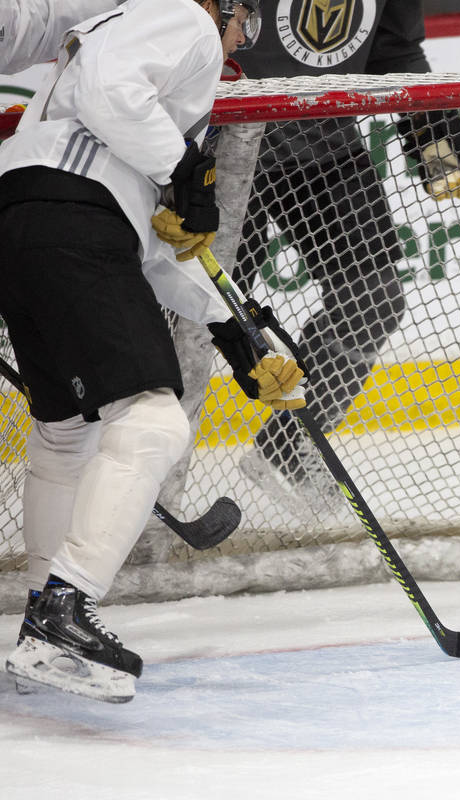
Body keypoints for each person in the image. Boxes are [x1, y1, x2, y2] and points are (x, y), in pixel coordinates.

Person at [0, 0, 294, 703]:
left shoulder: (127, 104)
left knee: (67, 435)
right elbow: (108, 85)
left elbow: (150, 245)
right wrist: (185, 165)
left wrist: (235, 329)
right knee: (155, 423)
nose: (237, 44)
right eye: (244, 25)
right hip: (71, 217)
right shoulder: (182, 18)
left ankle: (42, 627)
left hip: (26, 217)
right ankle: (63, 612)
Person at [225, 0, 460, 500]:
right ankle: (144, 472)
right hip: (222, 141)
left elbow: (393, 46)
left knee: (374, 299)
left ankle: (288, 448)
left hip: (326, 142)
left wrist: (433, 132)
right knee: (192, 320)